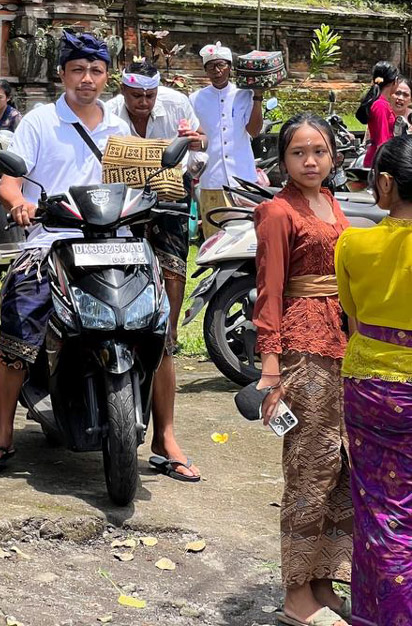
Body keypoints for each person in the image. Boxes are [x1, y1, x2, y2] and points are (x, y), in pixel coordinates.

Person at [0, 30, 130, 473]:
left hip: (112, 245)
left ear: (107, 76)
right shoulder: (39, 121)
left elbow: (135, 184)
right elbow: (9, 184)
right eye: (78, 70)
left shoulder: (120, 129)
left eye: (96, 70)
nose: (87, 78)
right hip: (50, 243)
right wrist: (18, 203)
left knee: (153, 322)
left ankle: (165, 437)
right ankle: (3, 431)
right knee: (20, 318)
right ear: (62, 74)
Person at [254, 113, 352, 626]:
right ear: (283, 159)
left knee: (340, 466)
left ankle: (323, 581)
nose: (310, 161)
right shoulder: (277, 212)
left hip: (342, 343)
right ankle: (295, 594)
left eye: (319, 151)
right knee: (309, 468)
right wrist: (270, 372)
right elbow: (268, 291)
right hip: (301, 347)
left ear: (333, 155)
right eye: (298, 152)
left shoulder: (332, 203)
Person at [108, 59, 206, 481]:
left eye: (149, 95)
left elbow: (200, 143)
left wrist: (193, 143)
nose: (144, 103)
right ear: (123, 91)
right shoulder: (109, 113)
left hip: (169, 199)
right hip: (122, 204)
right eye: (136, 96)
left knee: (171, 267)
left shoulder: (177, 103)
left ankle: (170, 330)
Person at [335, 135, 412, 626]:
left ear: (385, 184)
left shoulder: (354, 243)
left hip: (373, 389)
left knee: (382, 511)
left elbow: (353, 313)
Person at [190, 42, 264, 239]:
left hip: (242, 177)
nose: (217, 71)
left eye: (221, 65)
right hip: (212, 179)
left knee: (246, 235)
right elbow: (193, 134)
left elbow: (254, 131)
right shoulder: (195, 99)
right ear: (205, 70)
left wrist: (258, 98)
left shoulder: (244, 94)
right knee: (215, 236)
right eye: (211, 66)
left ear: (230, 67)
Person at [361, 62, 399, 166]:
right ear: (395, 81)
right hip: (379, 161)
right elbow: (382, 140)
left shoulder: (382, 103)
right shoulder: (380, 105)